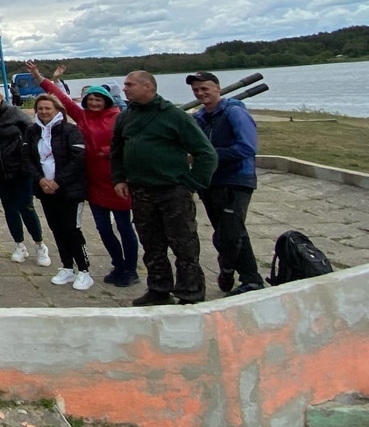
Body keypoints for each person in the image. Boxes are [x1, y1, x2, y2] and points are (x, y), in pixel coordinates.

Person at [25, 61, 138, 286]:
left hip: (117, 181)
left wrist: (108, 152)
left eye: (98, 99)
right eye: (90, 99)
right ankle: (117, 264)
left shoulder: (119, 118)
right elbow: (61, 98)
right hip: (93, 182)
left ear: (107, 100)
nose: (94, 102)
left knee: (124, 227)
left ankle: (131, 269)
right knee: (103, 228)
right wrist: (39, 76)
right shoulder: (82, 116)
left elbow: (132, 143)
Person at [111, 71, 218, 306]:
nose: (125, 88)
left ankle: (190, 292)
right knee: (151, 245)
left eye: (130, 84)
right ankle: (159, 289)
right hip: (140, 192)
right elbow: (117, 151)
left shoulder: (174, 116)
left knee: (184, 244)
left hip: (172, 191)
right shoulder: (125, 117)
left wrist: (192, 184)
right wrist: (119, 178)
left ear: (148, 86)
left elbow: (206, 153)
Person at [187, 71, 264, 296]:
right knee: (226, 233)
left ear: (217, 88)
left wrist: (209, 155)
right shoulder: (200, 117)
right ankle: (243, 275)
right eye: (196, 90)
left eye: (205, 88)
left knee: (231, 233)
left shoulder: (234, 112)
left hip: (237, 179)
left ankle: (242, 274)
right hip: (211, 181)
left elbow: (247, 147)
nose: (200, 93)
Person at [0, 86, 49, 267]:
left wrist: (27, 152)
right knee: (9, 208)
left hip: (20, 168)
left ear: (1, 97)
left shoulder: (14, 112)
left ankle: (40, 244)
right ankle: (19, 244)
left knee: (26, 206)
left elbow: (32, 132)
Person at [24, 95, 92, 290]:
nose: (44, 112)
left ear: (57, 110)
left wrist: (58, 182)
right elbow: (27, 158)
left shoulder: (70, 130)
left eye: (48, 108)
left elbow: (77, 158)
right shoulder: (32, 131)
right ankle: (67, 267)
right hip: (45, 189)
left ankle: (84, 270)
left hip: (69, 190)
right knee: (56, 228)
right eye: (40, 108)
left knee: (72, 229)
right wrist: (40, 179)